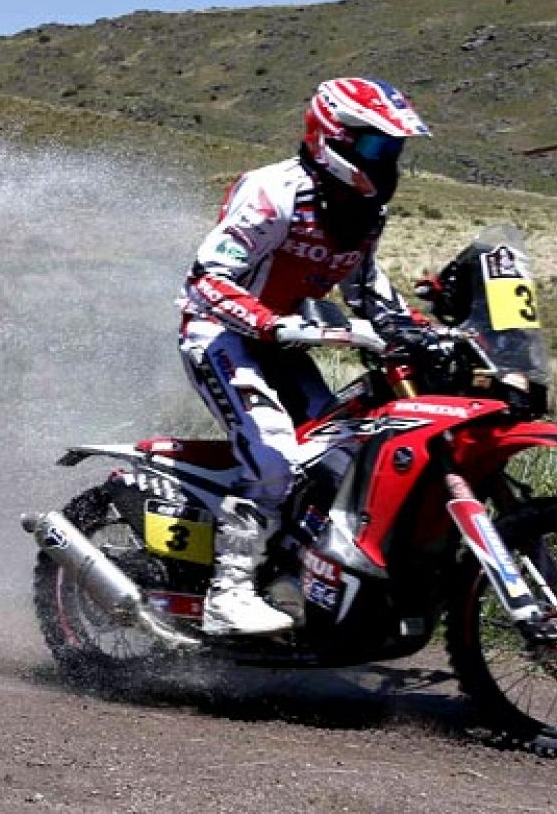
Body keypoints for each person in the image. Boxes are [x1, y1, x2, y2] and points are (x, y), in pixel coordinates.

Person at [180, 77, 430, 635]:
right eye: (374, 146)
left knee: (342, 455)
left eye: (393, 149)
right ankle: (228, 594)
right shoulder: (273, 192)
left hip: (285, 342)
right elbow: (206, 280)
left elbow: (367, 290)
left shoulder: (365, 212)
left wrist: (426, 332)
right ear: (332, 136)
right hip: (219, 333)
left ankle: (295, 571)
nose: (386, 160)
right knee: (272, 453)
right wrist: (268, 322)